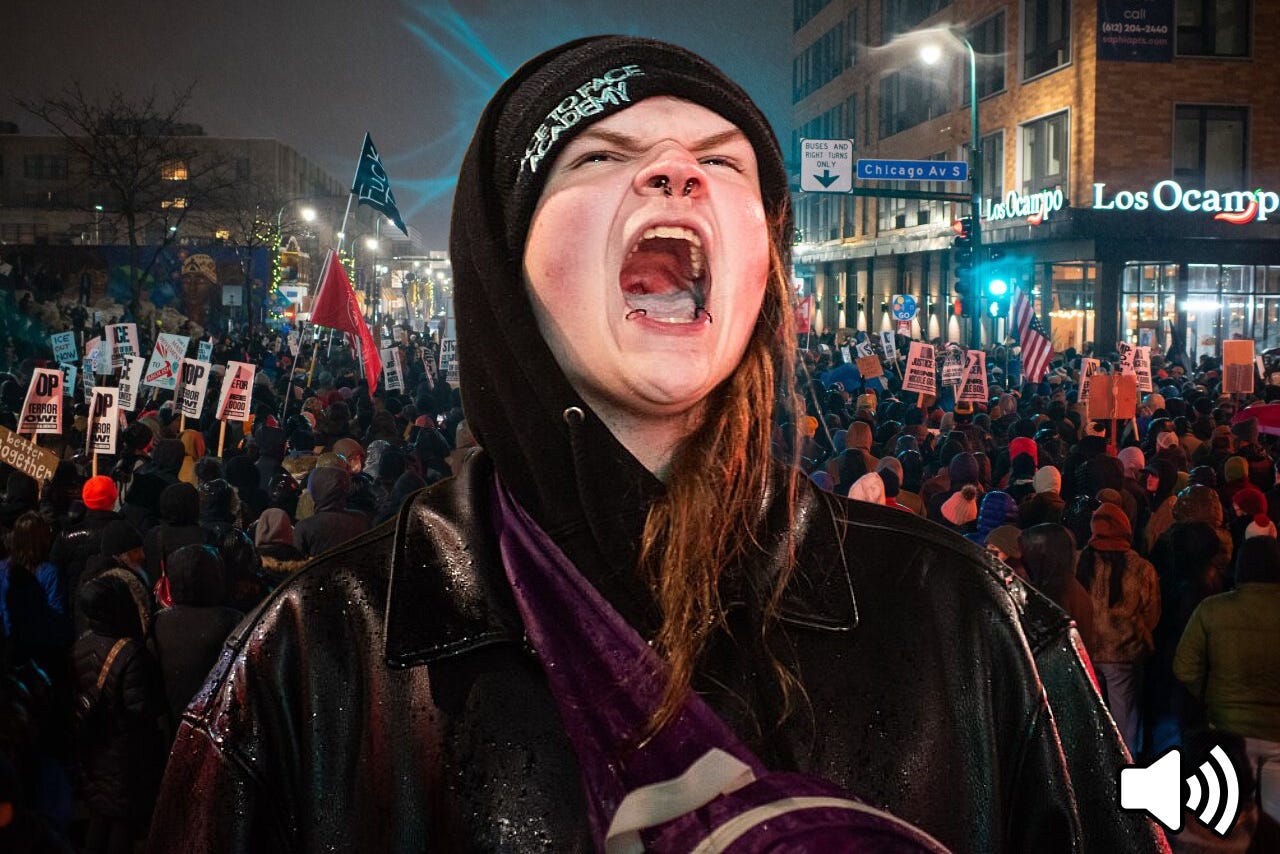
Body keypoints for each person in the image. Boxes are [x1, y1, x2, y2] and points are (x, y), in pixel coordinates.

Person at [148, 37, 1164, 853]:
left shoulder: (968, 621)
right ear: (504, 259)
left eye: (721, 162)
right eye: (599, 156)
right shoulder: (320, 655)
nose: (676, 171)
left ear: (765, 263)